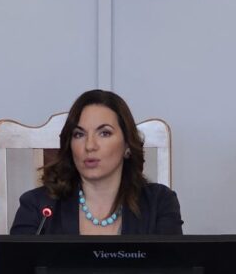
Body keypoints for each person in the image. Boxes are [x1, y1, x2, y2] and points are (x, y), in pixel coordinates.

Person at [10, 89, 182, 235]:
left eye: (104, 133)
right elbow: (16, 264)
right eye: (79, 134)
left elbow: (171, 264)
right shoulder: (37, 206)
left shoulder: (159, 203)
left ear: (127, 145)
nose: (90, 146)